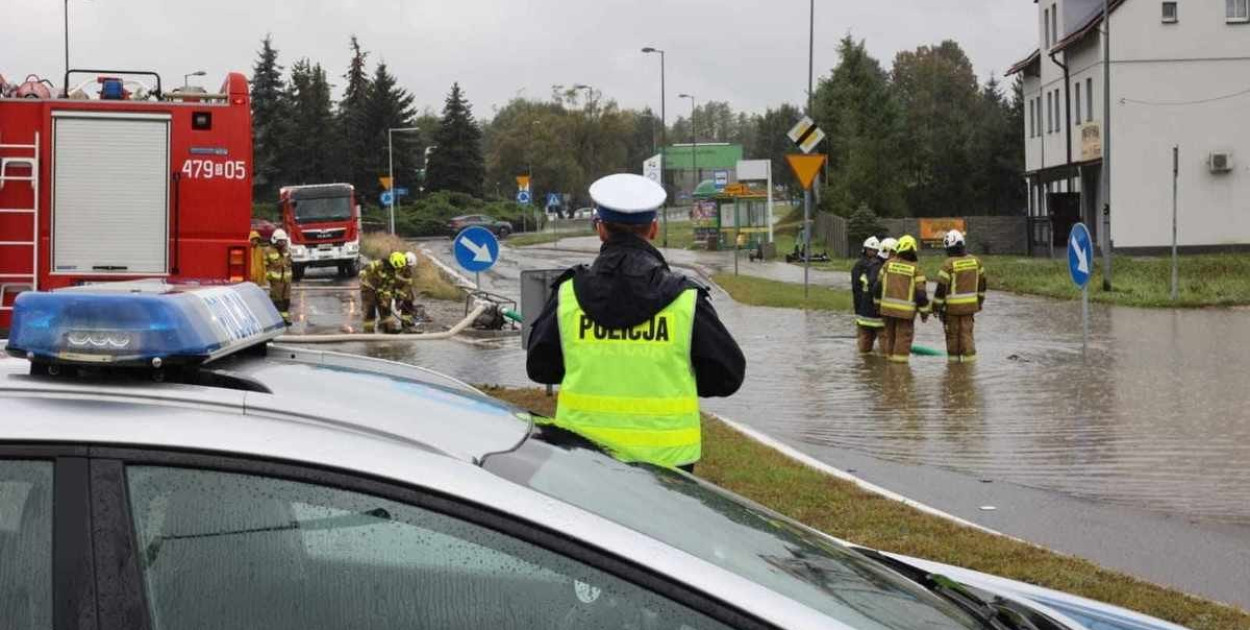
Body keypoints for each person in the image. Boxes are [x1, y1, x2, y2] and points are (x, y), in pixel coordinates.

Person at [527, 173, 746, 473]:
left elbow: (540, 367)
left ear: (600, 229)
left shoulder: (568, 294)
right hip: (667, 466)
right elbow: (728, 376)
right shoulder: (684, 298)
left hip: (583, 457)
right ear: (653, 229)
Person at [932, 229, 986, 363]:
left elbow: (941, 289)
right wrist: (979, 302)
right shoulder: (976, 262)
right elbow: (982, 284)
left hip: (951, 310)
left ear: (949, 248)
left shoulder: (948, 265)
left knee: (953, 338)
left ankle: (954, 369)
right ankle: (969, 369)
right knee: (967, 336)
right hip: (969, 309)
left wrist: (936, 307)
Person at [874, 235, 930, 364]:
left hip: (887, 312)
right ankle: (900, 374)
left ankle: (889, 375)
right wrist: (924, 312)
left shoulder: (888, 264)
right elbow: (921, 295)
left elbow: (877, 287)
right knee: (903, 340)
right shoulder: (916, 269)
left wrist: (877, 306)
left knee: (890, 339)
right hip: (906, 315)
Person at [851, 237, 884, 354]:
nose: (873, 253)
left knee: (877, 341)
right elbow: (856, 289)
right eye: (870, 250)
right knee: (865, 341)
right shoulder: (859, 266)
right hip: (864, 308)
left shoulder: (880, 266)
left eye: (875, 251)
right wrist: (858, 309)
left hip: (873, 310)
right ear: (865, 250)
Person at [359, 254, 400, 333]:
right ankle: (368, 331)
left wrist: (385, 299)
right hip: (368, 288)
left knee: (386, 308)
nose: (395, 270)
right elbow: (363, 272)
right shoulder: (378, 264)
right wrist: (366, 282)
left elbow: (389, 286)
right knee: (370, 309)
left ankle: (390, 329)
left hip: (380, 288)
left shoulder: (392, 272)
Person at [872, 237, 898, 354]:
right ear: (890, 252)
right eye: (895, 253)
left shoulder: (874, 265)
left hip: (875, 311)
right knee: (885, 338)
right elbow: (878, 289)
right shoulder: (884, 268)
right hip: (882, 312)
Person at [394, 251, 427, 333]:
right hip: (397, 293)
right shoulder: (398, 269)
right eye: (410, 266)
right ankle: (403, 326)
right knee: (403, 308)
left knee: (407, 307)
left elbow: (407, 286)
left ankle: (406, 325)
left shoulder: (406, 271)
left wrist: (404, 297)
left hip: (403, 294)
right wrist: (400, 297)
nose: (410, 268)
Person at [266, 229, 294, 324]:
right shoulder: (268, 251)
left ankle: (285, 318)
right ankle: (276, 319)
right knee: (277, 300)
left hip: (286, 280)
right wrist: (269, 277)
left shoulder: (286, 251)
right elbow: (265, 265)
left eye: (284, 241)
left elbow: (289, 262)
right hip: (276, 281)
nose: (282, 243)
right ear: (274, 240)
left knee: (286, 300)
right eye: (280, 241)